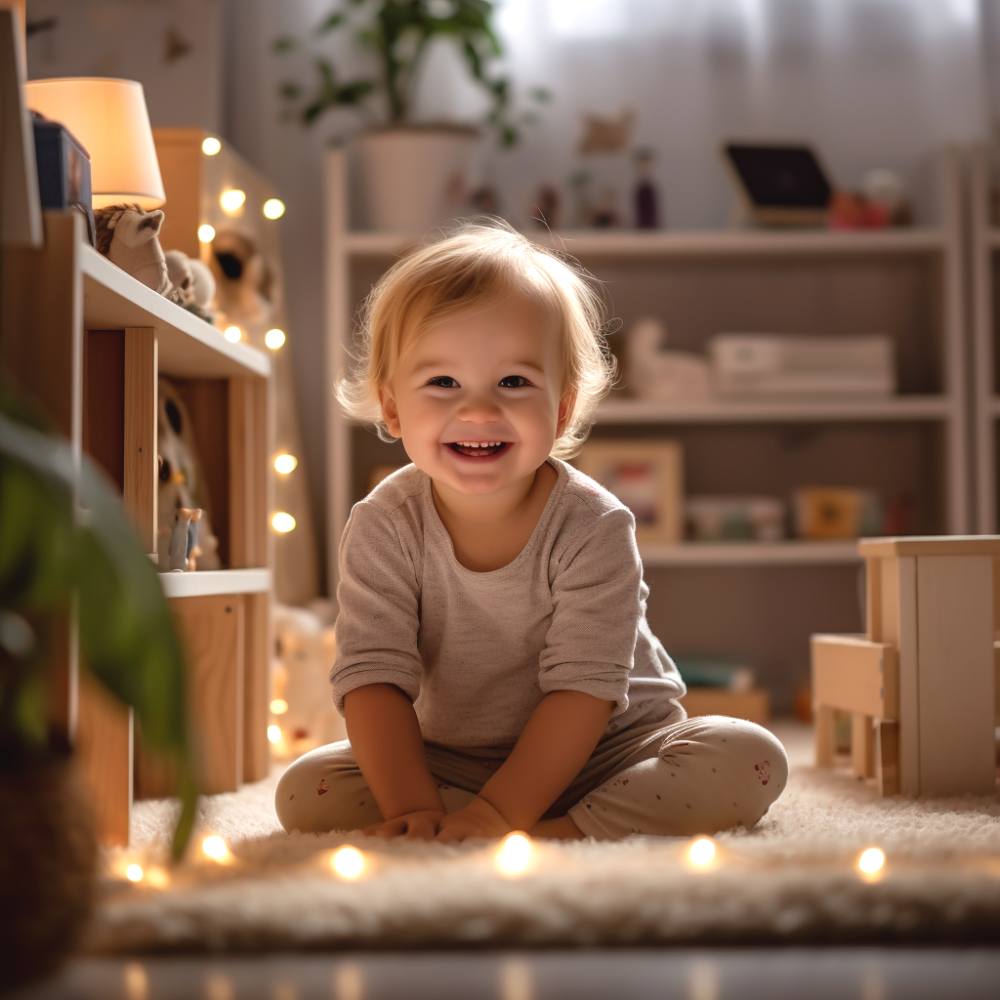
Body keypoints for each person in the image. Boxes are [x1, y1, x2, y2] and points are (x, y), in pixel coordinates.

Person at [274, 218, 788, 842]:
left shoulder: (592, 524)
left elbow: (582, 691)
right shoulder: (384, 523)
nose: (479, 411)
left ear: (563, 406)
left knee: (748, 756)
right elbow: (373, 678)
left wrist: (497, 816)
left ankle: (553, 831)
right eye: (442, 382)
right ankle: (475, 817)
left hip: (611, 750)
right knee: (306, 791)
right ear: (390, 407)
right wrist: (412, 805)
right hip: (451, 756)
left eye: (514, 382)